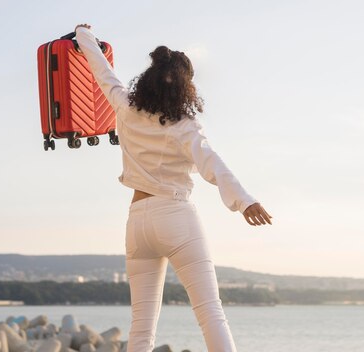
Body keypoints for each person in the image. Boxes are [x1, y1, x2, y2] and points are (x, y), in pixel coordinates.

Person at [75, 23, 272, 352]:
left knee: (141, 326)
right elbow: (211, 162)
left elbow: (102, 71)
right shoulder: (185, 126)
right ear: (185, 87)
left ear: (150, 79)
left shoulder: (125, 107)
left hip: (137, 221)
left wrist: (84, 35)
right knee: (210, 312)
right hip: (175, 215)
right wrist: (244, 201)